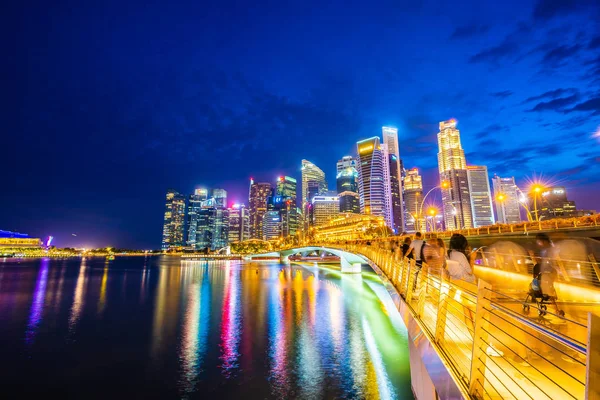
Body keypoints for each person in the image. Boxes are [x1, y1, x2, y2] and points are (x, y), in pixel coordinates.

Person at [535, 233, 565, 317]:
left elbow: (551, 262)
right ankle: (557, 309)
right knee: (550, 291)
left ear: (543, 241)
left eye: (539, 241)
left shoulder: (549, 250)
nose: (538, 243)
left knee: (549, 291)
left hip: (549, 273)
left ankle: (557, 310)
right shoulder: (548, 249)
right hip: (549, 273)